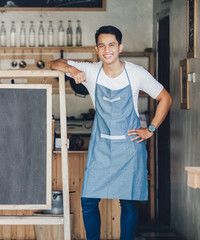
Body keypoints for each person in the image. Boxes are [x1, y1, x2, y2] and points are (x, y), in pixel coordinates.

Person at [50, 26, 172, 240]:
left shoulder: (136, 73)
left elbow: (165, 98)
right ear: (97, 49)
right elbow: (54, 63)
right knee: (88, 200)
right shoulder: (90, 70)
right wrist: (72, 70)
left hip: (129, 146)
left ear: (120, 47)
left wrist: (150, 129)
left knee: (128, 202)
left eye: (112, 45)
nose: (107, 50)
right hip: (102, 146)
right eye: (102, 45)